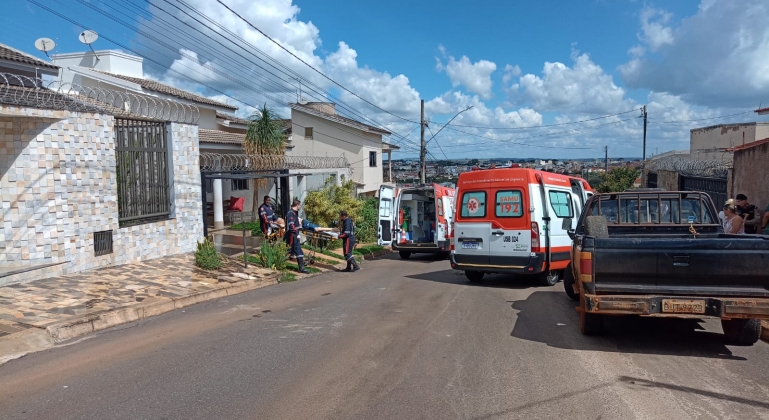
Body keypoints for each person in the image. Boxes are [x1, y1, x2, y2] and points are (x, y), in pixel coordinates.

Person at [284, 199, 309, 274]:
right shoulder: (290, 213)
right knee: (298, 251)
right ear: (297, 205)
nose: (300, 207)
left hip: (294, 234)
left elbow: (295, 224)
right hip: (293, 235)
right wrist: (296, 233)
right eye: (300, 205)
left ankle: (301, 266)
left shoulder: (294, 213)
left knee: (291, 250)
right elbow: (291, 225)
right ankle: (301, 268)